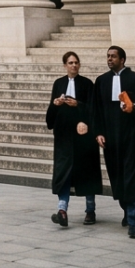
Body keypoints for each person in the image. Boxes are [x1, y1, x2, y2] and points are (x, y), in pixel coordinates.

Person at [94, 46, 135, 238]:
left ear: (122, 60)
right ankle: (126, 209)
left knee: (132, 178)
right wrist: (98, 132)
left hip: (132, 138)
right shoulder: (101, 81)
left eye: (113, 56)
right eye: (108, 56)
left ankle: (133, 222)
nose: (109, 59)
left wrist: (134, 107)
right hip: (111, 139)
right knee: (118, 177)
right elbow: (96, 109)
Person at [43, 51, 100, 227]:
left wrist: (78, 105)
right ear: (65, 66)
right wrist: (56, 104)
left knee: (87, 171)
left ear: (79, 65)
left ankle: (90, 210)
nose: (74, 65)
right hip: (64, 136)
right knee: (63, 172)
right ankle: (62, 211)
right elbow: (50, 117)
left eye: (76, 62)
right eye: (70, 63)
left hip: (83, 136)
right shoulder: (59, 83)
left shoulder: (87, 84)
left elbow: (94, 109)